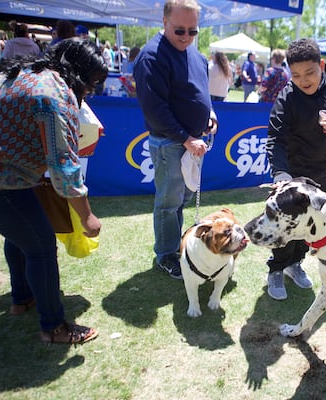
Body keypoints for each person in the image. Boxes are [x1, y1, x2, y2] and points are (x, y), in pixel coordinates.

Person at [0, 38, 108, 344]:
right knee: (41, 246)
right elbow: (63, 165)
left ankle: (22, 299)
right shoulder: (55, 94)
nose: (92, 91)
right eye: (93, 82)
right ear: (79, 73)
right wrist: (86, 218)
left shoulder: (26, 71)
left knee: (21, 235)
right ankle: (54, 327)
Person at [265, 38, 326, 300]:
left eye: (310, 72)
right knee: (284, 226)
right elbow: (275, 138)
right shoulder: (288, 97)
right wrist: (281, 175)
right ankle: (276, 268)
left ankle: (296, 264)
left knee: (311, 226)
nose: (303, 80)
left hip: (320, 174)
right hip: (292, 176)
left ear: (322, 65)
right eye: (295, 75)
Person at [133, 0, 218, 280]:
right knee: (168, 203)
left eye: (192, 31)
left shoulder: (196, 55)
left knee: (180, 199)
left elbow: (200, 93)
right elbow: (155, 110)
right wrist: (186, 138)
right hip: (171, 143)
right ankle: (167, 254)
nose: (185, 37)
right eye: (179, 30)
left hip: (190, 142)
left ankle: (175, 247)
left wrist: (210, 115)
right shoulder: (151, 57)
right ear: (164, 21)